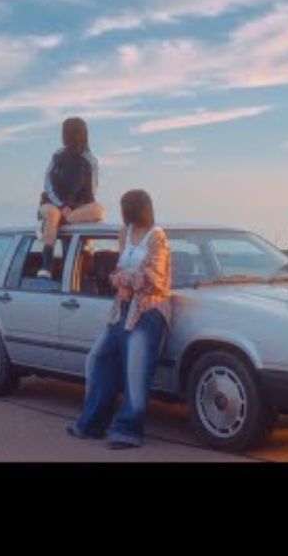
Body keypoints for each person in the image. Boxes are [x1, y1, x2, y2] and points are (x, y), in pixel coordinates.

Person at [67, 189, 172, 449]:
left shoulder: (157, 236)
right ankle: (91, 424)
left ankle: (128, 431)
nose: (122, 211)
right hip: (122, 309)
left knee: (136, 371)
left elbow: (154, 279)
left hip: (149, 311)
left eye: (124, 206)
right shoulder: (125, 233)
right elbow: (116, 272)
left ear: (134, 208)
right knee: (99, 359)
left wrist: (121, 279)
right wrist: (121, 279)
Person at [36, 117, 104, 278]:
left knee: (99, 210)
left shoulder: (91, 160)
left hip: (75, 207)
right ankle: (46, 265)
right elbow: (47, 184)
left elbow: (92, 190)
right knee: (53, 214)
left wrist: (84, 210)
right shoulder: (58, 156)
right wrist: (61, 206)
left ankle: (62, 231)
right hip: (52, 202)